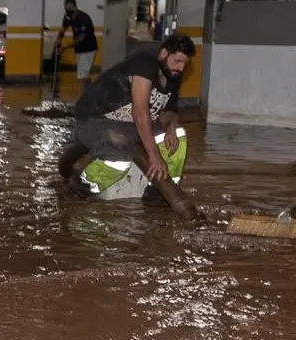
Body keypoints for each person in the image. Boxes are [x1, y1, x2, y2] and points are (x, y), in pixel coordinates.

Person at [56, 33, 198, 220]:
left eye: (185, 63)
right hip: (95, 120)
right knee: (118, 159)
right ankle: (78, 189)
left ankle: (156, 195)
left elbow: (168, 111)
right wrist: (154, 156)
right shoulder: (145, 62)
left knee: (178, 136)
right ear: (163, 53)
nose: (181, 68)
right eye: (178, 61)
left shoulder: (173, 74)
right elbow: (140, 114)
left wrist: (171, 126)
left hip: (128, 126)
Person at [57, 0, 99, 87]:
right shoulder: (67, 16)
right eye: (66, 8)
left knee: (82, 75)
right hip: (79, 49)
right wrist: (58, 40)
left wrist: (65, 47)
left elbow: (81, 38)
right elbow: (63, 29)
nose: (68, 10)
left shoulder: (84, 18)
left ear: (75, 7)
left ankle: (83, 96)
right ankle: (89, 92)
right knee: (84, 73)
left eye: (70, 8)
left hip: (89, 48)